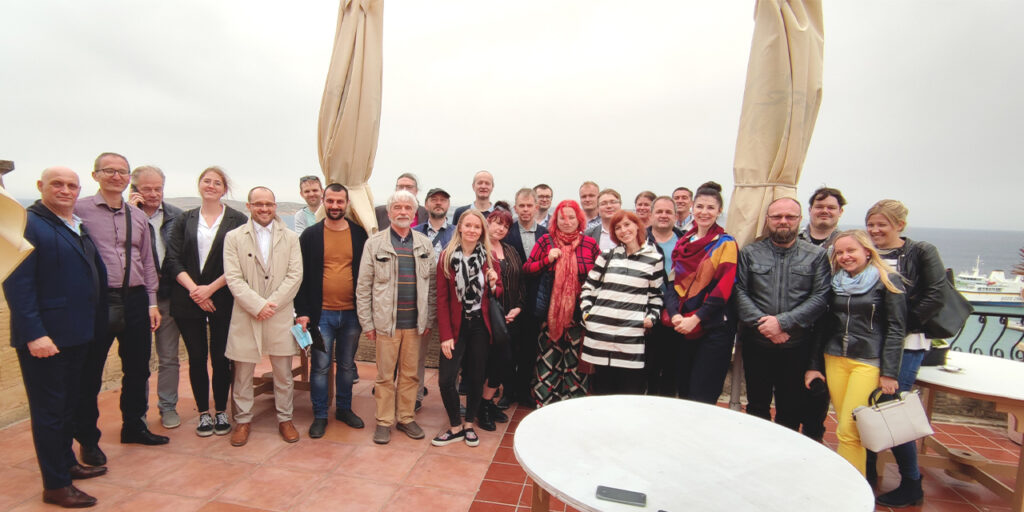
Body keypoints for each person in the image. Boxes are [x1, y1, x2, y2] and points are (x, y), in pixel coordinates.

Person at [5, 167, 108, 508]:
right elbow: (17, 284)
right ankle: (56, 485)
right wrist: (35, 333)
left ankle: (66, 464)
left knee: (66, 407)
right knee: (49, 411)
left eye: (71, 185)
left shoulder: (72, 222)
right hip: (46, 338)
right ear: (40, 187)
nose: (65, 190)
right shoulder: (28, 225)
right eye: (57, 184)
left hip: (77, 334)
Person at [74, 152, 167, 468]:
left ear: (128, 178)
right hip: (96, 300)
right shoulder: (79, 211)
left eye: (121, 171)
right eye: (109, 171)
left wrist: (153, 302)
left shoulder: (137, 217)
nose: (116, 176)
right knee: (90, 373)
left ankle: (134, 425)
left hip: (136, 298)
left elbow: (148, 262)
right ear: (96, 174)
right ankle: (87, 439)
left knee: (139, 367)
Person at [866, 199, 948, 507]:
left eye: (882, 224)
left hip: (906, 345)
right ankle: (869, 471)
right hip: (871, 345)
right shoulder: (869, 251)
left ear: (900, 225)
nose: (875, 230)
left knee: (891, 409)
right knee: (870, 406)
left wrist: (898, 326)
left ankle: (912, 481)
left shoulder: (920, 252)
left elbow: (936, 294)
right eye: (871, 224)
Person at [805, 230, 905, 477]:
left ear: (867, 252)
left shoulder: (887, 280)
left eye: (851, 251)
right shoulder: (835, 282)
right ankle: (857, 482)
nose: (845, 257)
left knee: (849, 431)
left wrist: (890, 372)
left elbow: (896, 329)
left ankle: (847, 489)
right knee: (848, 428)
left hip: (867, 362)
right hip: (835, 358)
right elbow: (823, 326)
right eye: (839, 252)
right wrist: (814, 364)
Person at [734, 197, 830, 433]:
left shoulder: (816, 256)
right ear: (767, 220)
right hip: (758, 343)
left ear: (800, 220)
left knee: (791, 407)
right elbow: (739, 292)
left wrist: (783, 323)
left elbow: (821, 297)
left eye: (790, 217)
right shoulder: (750, 253)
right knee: (757, 405)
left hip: (796, 345)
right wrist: (765, 325)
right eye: (777, 217)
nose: (783, 221)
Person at [164, 167, 248, 437]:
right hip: (188, 299)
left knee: (222, 357)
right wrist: (195, 291)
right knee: (197, 358)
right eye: (206, 181)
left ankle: (221, 409)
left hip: (223, 297)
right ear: (199, 185)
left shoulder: (238, 220)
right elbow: (173, 260)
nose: (211, 186)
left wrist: (210, 289)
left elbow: (241, 261)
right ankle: (203, 412)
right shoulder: (183, 219)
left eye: (217, 183)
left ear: (225, 189)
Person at [223, 187, 304, 446]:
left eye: (269, 204)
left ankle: (285, 418)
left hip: (279, 313)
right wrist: (257, 305)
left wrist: (272, 304)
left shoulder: (291, 237)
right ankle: (243, 420)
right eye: (258, 204)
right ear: (249, 206)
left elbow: (295, 275)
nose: (264, 208)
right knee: (243, 371)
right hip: (247, 313)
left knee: (283, 371)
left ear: (275, 206)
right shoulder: (233, 237)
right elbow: (233, 277)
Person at [356, 190, 436, 445]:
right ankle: (383, 421)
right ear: (389, 212)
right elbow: (363, 287)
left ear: (414, 214)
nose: (402, 212)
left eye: (407, 208)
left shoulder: (424, 244)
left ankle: (406, 418)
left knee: (411, 375)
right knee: (384, 376)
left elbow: (432, 286)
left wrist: (429, 320)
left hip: (415, 325)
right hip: (385, 326)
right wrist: (367, 323)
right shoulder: (375, 243)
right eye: (397, 207)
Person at [295, 184, 369, 438]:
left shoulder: (360, 235)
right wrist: (302, 312)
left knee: (347, 366)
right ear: (323, 202)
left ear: (347, 203)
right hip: (320, 315)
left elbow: (367, 276)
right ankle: (320, 415)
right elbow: (300, 277)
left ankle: (344, 410)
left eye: (340, 201)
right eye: (330, 201)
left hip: (352, 314)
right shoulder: (310, 236)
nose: (335, 206)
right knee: (320, 367)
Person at [432, 210, 504, 446]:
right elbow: (441, 300)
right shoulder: (446, 257)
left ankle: (469, 424)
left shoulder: (490, 257)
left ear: (482, 231)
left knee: (475, 377)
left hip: (480, 326)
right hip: (455, 326)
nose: (472, 230)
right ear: (460, 228)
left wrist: (494, 284)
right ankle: (455, 426)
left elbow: (497, 293)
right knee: (446, 378)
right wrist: (445, 336)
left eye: (477, 227)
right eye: (468, 225)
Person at [666, 183, 738, 404]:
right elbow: (672, 284)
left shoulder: (726, 244)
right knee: (684, 390)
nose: (704, 212)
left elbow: (723, 288)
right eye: (700, 206)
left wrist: (696, 319)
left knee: (702, 394)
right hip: (683, 326)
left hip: (712, 327)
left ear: (719, 211)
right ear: (692, 208)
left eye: (710, 207)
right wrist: (675, 314)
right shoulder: (684, 243)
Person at [523, 200, 600, 405]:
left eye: (571, 217)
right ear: (555, 220)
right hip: (550, 313)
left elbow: (599, 276)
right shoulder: (546, 241)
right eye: (562, 217)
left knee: (575, 360)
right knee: (548, 357)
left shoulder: (590, 244)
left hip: (578, 313)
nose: (567, 222)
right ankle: (545, 401)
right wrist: (546, 260)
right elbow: (528, 269)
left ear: (579, 220)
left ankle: (572, 402)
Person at [580, 210, 664, 395]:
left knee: (630, 391)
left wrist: (651, 318)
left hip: (631, 335)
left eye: (627, 225)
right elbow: (588, 288)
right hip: (601, 333)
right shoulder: (607, 255)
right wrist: (587, 314)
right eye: (617, 227)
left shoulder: (654, 258)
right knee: (602, 390)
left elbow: (656, 296)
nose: (623, 230)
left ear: (637, 226)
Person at [127, 165, 184, 429]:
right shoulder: (124, 216)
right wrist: (131, 213)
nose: (153, 194)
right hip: (136, 297)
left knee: (168, 356)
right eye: (147, 189)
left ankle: (168, 406)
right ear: (135, 189)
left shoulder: (176, 216)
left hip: (168, 295)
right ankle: (135, 414)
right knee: (136, 359)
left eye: (158, 188)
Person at [797, 185, 846, 442]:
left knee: (817, 400)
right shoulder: (796, 239)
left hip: (828, 331)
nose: (824, 211)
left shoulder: (846, 244)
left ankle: (813, 446)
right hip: (796, 329)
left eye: (830, 207)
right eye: (819, 206)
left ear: (840, 212)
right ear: (810, 210)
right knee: (792, 397)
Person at [502, 188, 549, 406]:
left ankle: (523, 391)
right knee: (508, 349)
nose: (526, 210)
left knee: (529, 349)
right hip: (510, 299)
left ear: (537, 207)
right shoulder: (507, 232)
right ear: (515, 207)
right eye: (522, 206)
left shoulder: (545, 234)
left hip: (535, 300)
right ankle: (507, 391)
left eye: (530, 205)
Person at [477, 209, 522, 428]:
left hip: (510, 318)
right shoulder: (478, 250)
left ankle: (487, 402)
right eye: (496, 223)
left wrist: (518, 308)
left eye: (505, 226)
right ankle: (480, 406)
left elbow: (520, 282)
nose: (500, 228)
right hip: (485, 318)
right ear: (487, 223)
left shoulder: (511, 250)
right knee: (483, 364)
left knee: (503, 363)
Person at [644, 196, 686, 396]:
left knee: (672, 368)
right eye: (659, 211)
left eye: (668, 212)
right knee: (647, 368)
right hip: (646, 311)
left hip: (676, 313)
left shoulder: (686, 241)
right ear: (651, 215)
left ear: (676, 216)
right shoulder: (638, 239)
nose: (663, 215)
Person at [415, 187, 455, 255]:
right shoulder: (415, 232)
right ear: (426, 205)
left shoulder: (457, 233)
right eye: (434, 200)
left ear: (448, 205)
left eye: (443, 200)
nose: (438, 203)